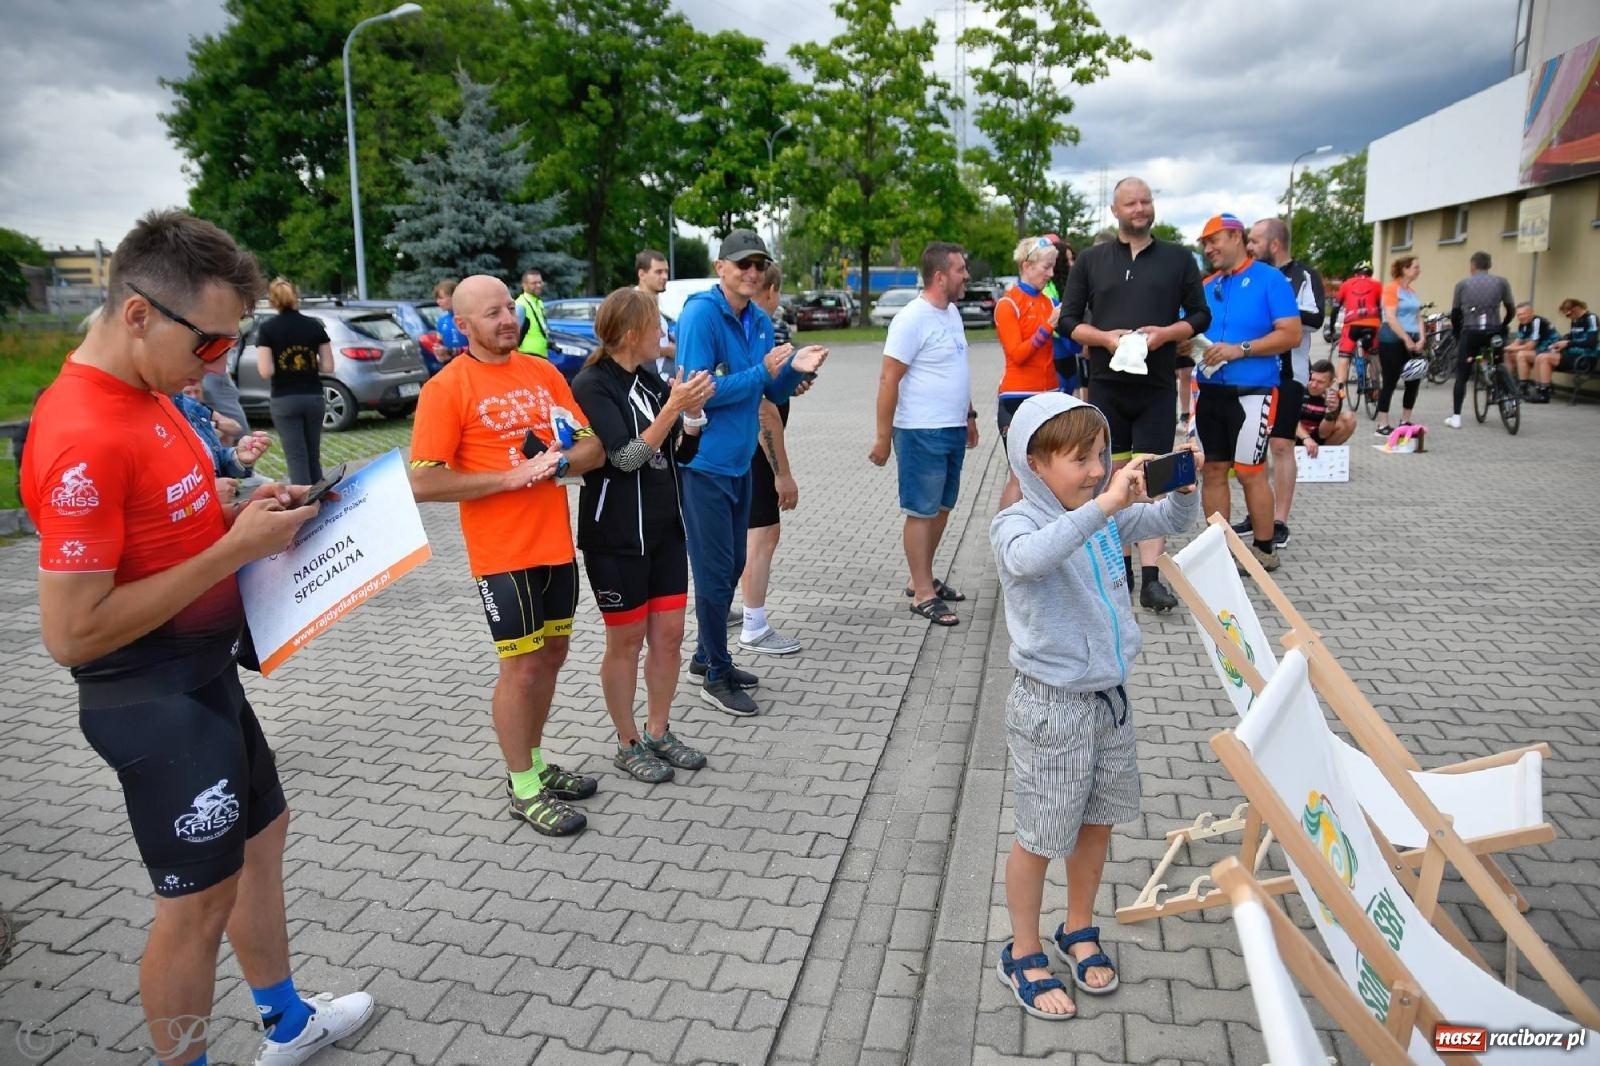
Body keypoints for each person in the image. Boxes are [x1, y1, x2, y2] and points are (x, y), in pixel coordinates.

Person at [20, 209, 373, 1066]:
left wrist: (242, 507)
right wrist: (230, 548)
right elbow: (70, 633)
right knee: (194, 909)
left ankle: (286, 1023)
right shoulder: (81, 433)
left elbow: (171, 512)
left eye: (227, 345)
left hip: (205, 676)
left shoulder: (151, 396)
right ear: (139, 313)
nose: (217, 363)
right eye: (210, 345)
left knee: (263, 842)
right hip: (149, 699)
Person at [990, 393, 1198, 1021]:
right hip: (1051, 708)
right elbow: (1029, 561)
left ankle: (1077, 927)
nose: (1095, 469)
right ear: (1034, 462)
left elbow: (1173, 521)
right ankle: (1022, 949)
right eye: (1079, 458)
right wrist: (1104, 504)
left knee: (1097, 822)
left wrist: (1184, 484)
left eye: (1101, 455)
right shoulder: (1017, 522)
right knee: (1039, 834)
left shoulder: (1102, 510)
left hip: (1110, 700)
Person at [408, 274, 606, 836]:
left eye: (508, 309)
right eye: (491, 313)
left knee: (552, 656)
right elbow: (424, 483)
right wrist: (511, 477)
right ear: (463, 325)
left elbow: (592, 446)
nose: (506, 320)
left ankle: (538, 764)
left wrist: (560, 464)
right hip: (501, 554)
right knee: (519, 669)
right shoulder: (446, 388)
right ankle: (522, 788)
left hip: (555, 544)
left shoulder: (543, 372)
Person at [677, 230, 826, 716]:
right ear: (721, 268)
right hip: (704, 466)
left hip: (741, 462)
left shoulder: (760, 319)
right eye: (742, 264)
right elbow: (698, 392)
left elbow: (770, 388)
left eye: (759, 264)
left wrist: (795, 375)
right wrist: (765, 374)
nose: (753, 272)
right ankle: (716, 676)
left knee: (734, 566)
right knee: (716, 573)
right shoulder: (702, 314)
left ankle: (707, 656)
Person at [571, 289, 716, 783]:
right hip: (615, 537)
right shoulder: (592, 384)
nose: (664, 335)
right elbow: (626, 457)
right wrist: (673, 410)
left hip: (665, 531)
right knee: (627, 641)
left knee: (670, 638)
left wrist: (692, 417)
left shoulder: (651, 380)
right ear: (631, 334)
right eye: (658, 326)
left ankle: (658, 730)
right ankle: (627, 740)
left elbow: (680, 455)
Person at [1061, 176, 1210, 610]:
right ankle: (1117, 569)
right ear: (1116, 210)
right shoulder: (1092, 260)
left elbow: (1201, 315)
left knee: (1153, 478)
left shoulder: (1178, 258)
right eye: (1131, 203)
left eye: (1146, 201)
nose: (1140, 209)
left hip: (1156, 386)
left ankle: (1152, 577)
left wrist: (1167, 333)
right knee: (1110, 477)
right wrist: (1105, 339)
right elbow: (1067, 321)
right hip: (1107, 385)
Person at [869, 241, 977, 628]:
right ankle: (922, 594)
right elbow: (888, 378)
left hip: (950, 427)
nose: (967, 276)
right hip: (919, 430)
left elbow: (956, 368)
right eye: (961, 269)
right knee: (921, 510)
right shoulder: (911, 319)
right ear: (940, 276)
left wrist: (969, 415)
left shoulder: (951, 314)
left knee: (943, 507)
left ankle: (924, 578)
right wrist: (883, 438)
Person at [1194, 213, 1301, 572]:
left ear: (1237, 237)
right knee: (1213, 470)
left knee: (1249, 471)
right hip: (1209, 391)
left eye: (1214, 241)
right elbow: (1186, 330)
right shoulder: (1207, 285)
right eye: (1205, 244)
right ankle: (1218, 548)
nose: (1209, 249)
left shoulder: (1270, 279)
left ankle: (1264, 548)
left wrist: (1239, 349)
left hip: (1254, 391)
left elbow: (1291, 334)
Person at [735, 260, 807, 654]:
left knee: (746, 536)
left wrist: (789, 384)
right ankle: (754, 625)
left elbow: (770, 392)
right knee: (762, 536)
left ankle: (737, 613)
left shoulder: (744, 331)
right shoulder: (757, 333)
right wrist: (784, 475)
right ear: (771, 290)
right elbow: (764, 411)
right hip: (754, 453)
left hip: (739, 450)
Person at [1246, 217, 1325, 549]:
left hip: (1289, 374)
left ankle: (1279, 521)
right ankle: (1257, 512)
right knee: (1255, 446)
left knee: (1281, 445)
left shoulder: (1303, 275)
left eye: (1254, 241)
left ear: (1274, 243)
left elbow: (1316, 317)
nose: (1249, 246)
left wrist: (1278, 309)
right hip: (1254, 372)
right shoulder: (1252, 274)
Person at [993, 236, 1060, 511]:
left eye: (1053, 267)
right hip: (1017, 397)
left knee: (1050, 476)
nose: (1051, 274)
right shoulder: (1008, 304)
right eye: (1046, 267)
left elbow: (1069, 346)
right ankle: (1006, 539)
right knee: (1021, 476)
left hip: (1050, 395)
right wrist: (1048, 326)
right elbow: (1018, 354)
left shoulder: (1048, 301)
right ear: (1026, 265)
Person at [255, 277, 333, 486]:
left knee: (296, 457)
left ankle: (305, 507)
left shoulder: (267, 329)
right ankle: (320, 501)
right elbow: (328, 367)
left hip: (284, 398)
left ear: (272, 301)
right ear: (296, 297)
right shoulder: (314, 326)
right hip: (313, 396)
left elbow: (265, 370)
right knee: (313, 455)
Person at [1446, 251, 1515, 428]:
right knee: (1498, 361)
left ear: (1472, 266)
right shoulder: (1502, 282)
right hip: (1494, 331)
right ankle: (1507, 395)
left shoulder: (1462, 284)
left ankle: (1456, 417)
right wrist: (1503, 325)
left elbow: (1455, 313)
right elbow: (1511, 309)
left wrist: (1457, 332)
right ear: (1489, 265)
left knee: (1462, 374)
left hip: (1471, 331)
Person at [174, 381, 273, 479]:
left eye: (197, 391)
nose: (193, 396)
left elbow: (235, 427)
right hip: (197, 484)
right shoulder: (176, 407)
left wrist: (239, 458)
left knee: (226, 434)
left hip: (217, 475)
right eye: (187, 393)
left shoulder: (196, 407)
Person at [1374, 255, 1425, 435]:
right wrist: (1406, 338)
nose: (1418, 270)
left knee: (1414, 379)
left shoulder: (1412, 292)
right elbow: (1391, 317)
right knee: (1390, 380)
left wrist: (1422, 338)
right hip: (1392, 339)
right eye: (1415, 267)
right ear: (1404, 269)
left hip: (1413, 339)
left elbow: (1419, 317)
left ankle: (1406, 420)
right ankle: (1382, 423)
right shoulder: (1391, 289)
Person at [1042, 238, 1085, 397]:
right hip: (1056, 354)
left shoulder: (1069, 286)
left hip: (1070, 357)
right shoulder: (1048, 288)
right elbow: (1054, 320)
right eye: (1067, 260)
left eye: (1073, 258)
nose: (1072, 263)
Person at [1537, 298, 1600, 402]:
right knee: (1540, 357)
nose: (1568, 317)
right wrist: (1559, 344)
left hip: (1585, 358)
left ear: (1576, 309)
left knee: (1545, 358)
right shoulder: (1574, 320)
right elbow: (1572, 338)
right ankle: (1540, 390)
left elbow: (1591, 342)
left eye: (1568, 314)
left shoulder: (1591, 318)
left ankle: (1544, 395)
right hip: (1573, 355)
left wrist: (1568, 344)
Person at [635, 249, 677, 380]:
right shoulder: (633, 306)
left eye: (666, 271)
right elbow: (630, 347)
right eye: (658, 272)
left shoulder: (657, 304)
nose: (665, 276)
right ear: (642, 274)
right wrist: (667, 351)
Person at [1297, 359, 1356, 448]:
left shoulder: (1333, 398)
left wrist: (1330, 412)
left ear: (1330, 383)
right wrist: (1306, 438)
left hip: (1317, 437)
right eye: (1312, 379)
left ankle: (1324, 454)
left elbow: (1323, 434)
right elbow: (1289, 421)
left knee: (1349, 419)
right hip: (1296, 435)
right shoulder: (1299, 391)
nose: (1313, 385)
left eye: (1320, 382)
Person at [1504, 302, 1557, 397]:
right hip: (1538, 351)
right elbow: (1517, 342)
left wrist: (1511, 348)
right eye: (1519, 315)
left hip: (1550, 351)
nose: (1521, 317)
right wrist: (1507, 349)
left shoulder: (1537, 322)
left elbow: (1531, 346)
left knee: (1522, 355)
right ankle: (1508, 384)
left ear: (1531, 313)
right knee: (1507, 354)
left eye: (1523, 314)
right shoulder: (1523, 325)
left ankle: (1523, 387)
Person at [431, 278, 468, 372]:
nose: (438, 302)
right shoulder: (442, 321)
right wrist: (439, 352)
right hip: (451, 368)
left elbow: (480, 348)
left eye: (441, 298)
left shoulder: (469, 318)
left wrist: (450, 351)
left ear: (454, 297)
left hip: (471, 366)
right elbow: (438, 343)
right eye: (437, 299)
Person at [514, 268, 551, 359]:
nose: (538, 285)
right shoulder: (520, 305)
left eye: (540, 282)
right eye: (534, 283)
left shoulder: (538, 302)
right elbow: (514, 334)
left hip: (540, 354)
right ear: (524, 285)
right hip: (526, 354)